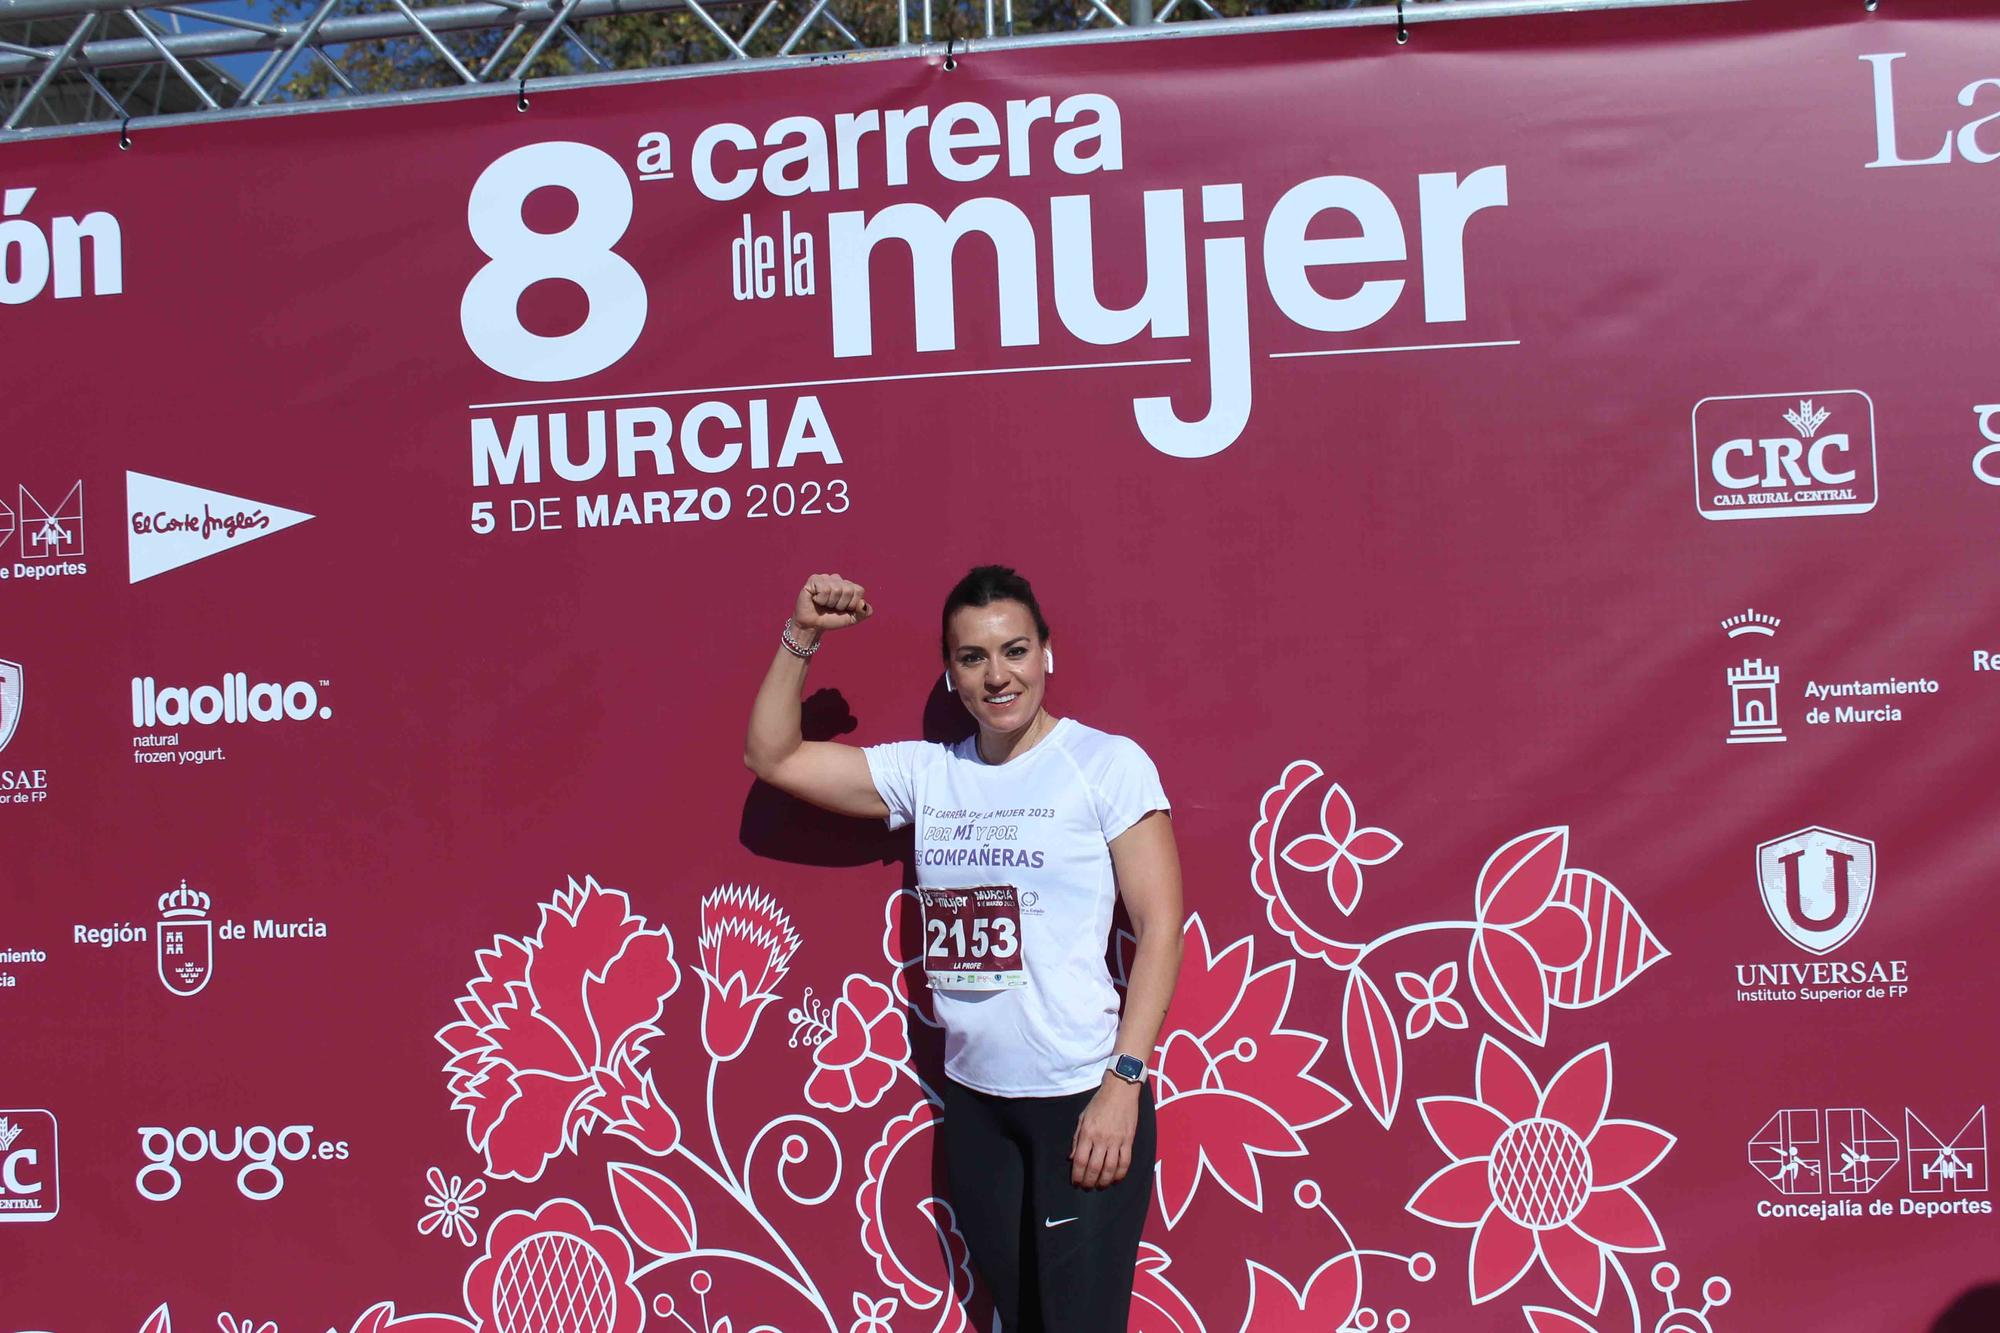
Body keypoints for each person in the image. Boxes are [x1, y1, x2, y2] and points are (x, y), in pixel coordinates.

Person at [745, 566, 1184, 1333]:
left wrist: (1123, 1083)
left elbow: (1161, 927)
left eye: (1015, 649)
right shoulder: (929, 774)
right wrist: (802, 633)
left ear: (1048, 652)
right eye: (973, 657)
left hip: (1081, 1101)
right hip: (978, 1108)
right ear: (951, 673)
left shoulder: (1107, 765)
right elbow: (772, 756)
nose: (998, 674)